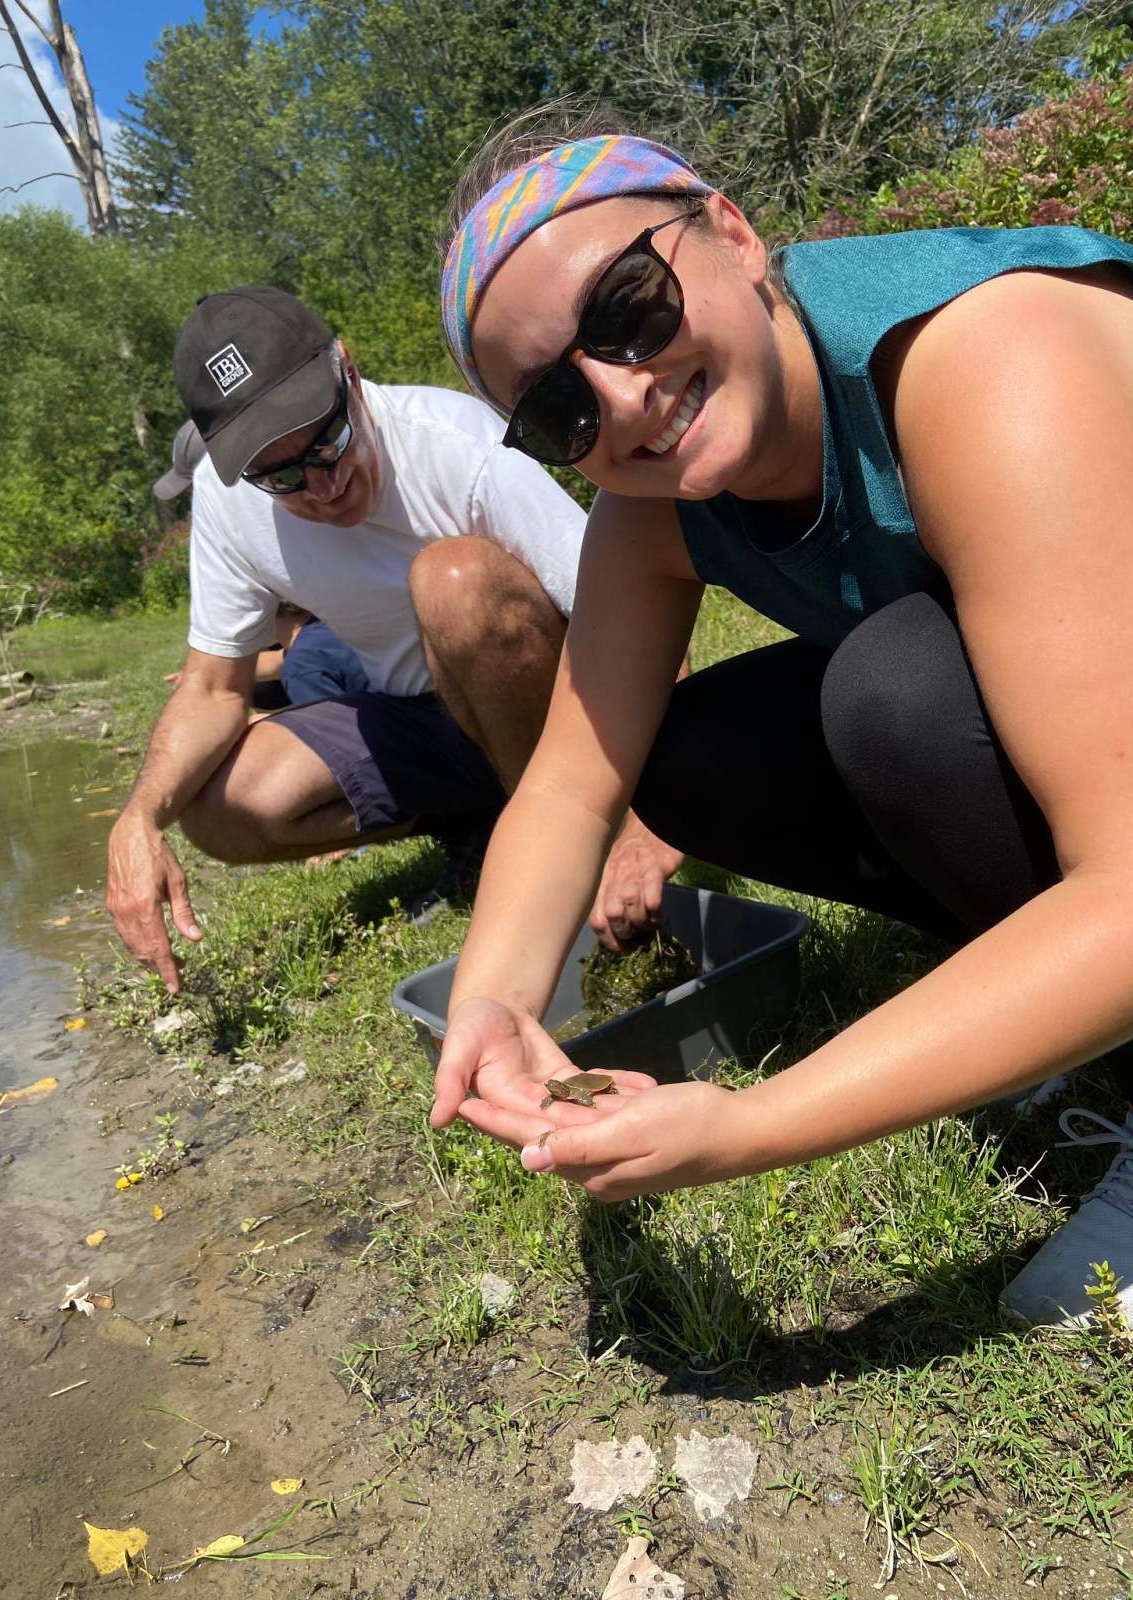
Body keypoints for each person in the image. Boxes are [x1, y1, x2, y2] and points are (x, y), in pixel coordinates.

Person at [428, 110, 1133, 1329]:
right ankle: (1038, 992)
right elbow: (571, 783)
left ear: (738, 239)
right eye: (557, 410)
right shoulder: (648, 510)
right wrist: (494, 999)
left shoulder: (982, 355)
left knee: (896, 694)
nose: (623, 396)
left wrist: (750, 1123)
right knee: (697, 754)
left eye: (629, 306)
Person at [108, 284, 680, 989]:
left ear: (347, 372)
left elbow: (639, 613)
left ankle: (579, 840)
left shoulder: (458, 445)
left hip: (560, 708)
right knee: (223, 809)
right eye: (282, 474)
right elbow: (210, 688)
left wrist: (659, 827)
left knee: (452, 579)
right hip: (426, 722)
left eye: (329, 438)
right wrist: (139, 818)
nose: (322, 484)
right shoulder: (230, 504)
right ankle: (482, 819)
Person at [152, 420, 371, 712]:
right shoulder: (236, 531)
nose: (198, 500)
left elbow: (318, 643)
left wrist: (218, 678)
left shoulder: (291, 522)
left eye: (198, 488)